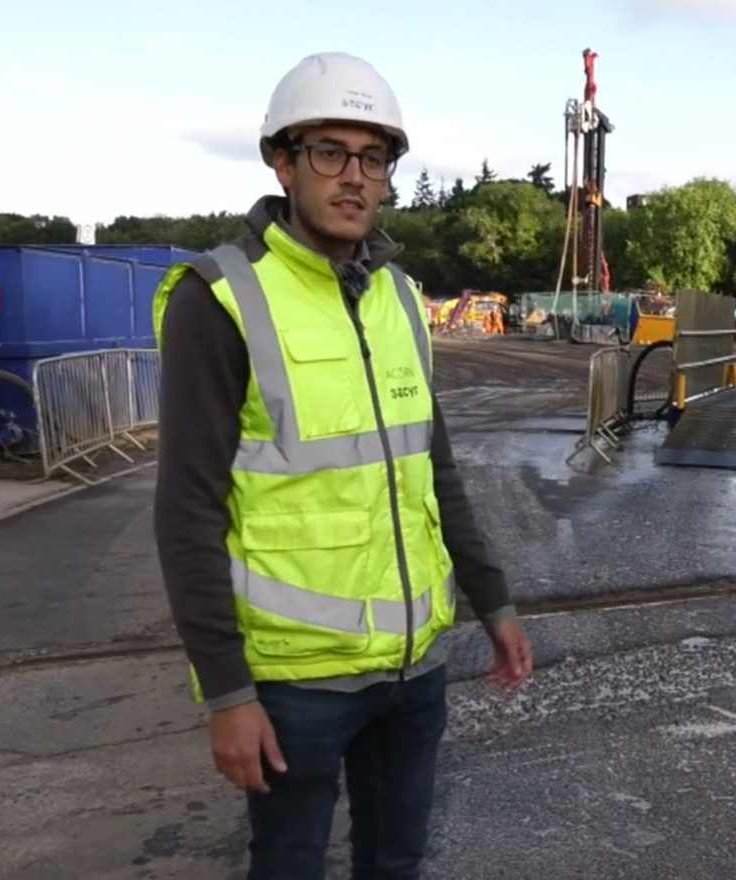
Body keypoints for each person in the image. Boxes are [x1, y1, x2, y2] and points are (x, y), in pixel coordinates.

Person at [150, 51, 532, 880]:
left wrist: (492, 602)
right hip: (296, 682)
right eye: (330, 152)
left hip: (412, 670)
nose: (355, 177)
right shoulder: (220, 299)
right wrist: (228, 692)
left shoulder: (400, 298)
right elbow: (186, 514)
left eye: (374, 157)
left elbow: (435, 469)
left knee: (396, 863)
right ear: (282, 163)